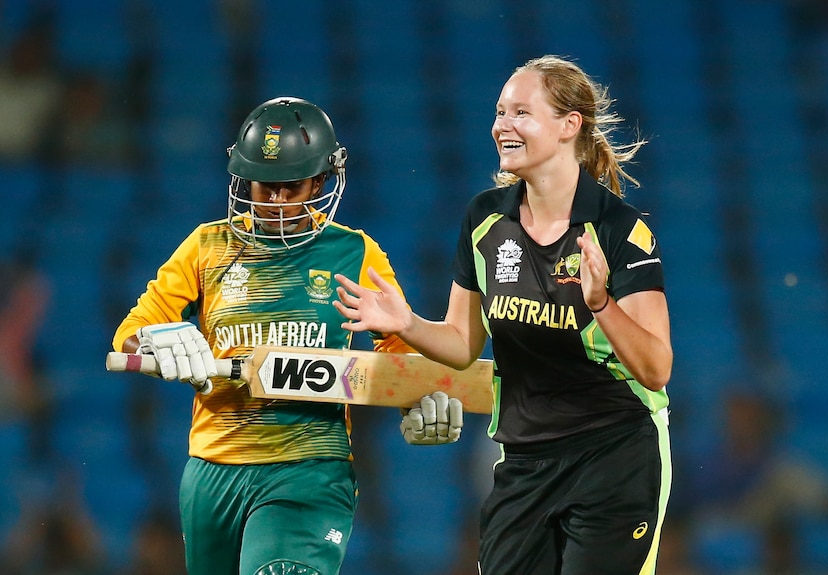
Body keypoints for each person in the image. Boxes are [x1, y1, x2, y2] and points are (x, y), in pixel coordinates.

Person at [333, 55, 674, 574]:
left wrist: (601, 303)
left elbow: (656, 368)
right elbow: (463, 343)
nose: (501, 126)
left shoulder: (618, 229)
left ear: (568, 126)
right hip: (523, 460)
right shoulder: (485, 219)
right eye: (499, 112)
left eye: (520, 113)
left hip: (617, 451)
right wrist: (408, 324)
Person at [112, 97, 462, 575]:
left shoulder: (354, 253)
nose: (275, 201)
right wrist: (155, 338)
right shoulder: (207, 246)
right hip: (212, 471)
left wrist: (421, 399)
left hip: (310, 468)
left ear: (320, 181)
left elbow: (397, 353)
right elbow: (130, 335)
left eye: (290, 187)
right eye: (265, 186)